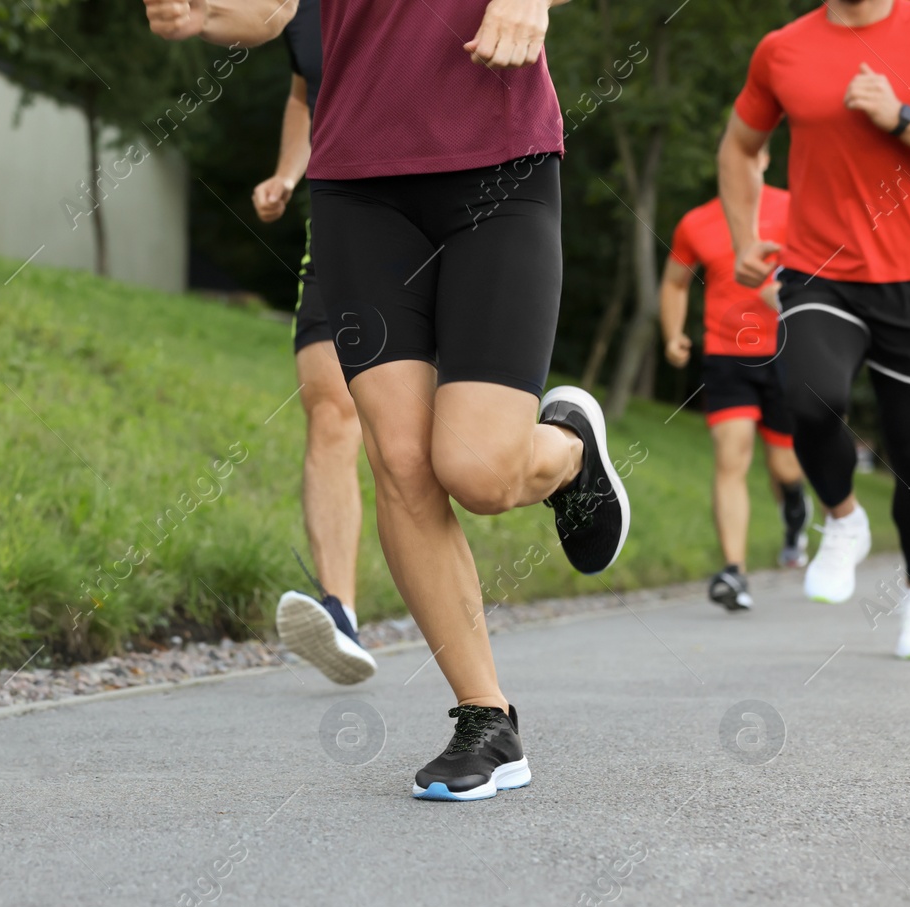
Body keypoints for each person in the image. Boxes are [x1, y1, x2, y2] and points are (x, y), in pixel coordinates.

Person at [148, 0, 632, 801]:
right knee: (401, 460)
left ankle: (569, 449)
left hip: (496, 159)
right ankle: (486, 716)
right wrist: (198, 13)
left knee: (477, 471)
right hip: (358, 189)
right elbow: (272, 12)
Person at [719, 0, 910, 660]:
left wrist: (900, 116)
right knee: (809, 396)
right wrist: (743, 238)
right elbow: (740, 145)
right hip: (819, 271)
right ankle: (843, 518)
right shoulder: (782, 48)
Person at [251, 0, 376, 685]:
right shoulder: (300, 8)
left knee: (457, 453)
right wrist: (287, 172)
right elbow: (307, 87)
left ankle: (563, 456)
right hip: (339, 214)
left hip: (449, 212)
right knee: (331, 407)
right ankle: (341, 611)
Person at [660, 156, 811, 612]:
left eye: (751, 154)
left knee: (785, 468)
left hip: (788, 352)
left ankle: (795, 510)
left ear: (764, 159)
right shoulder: (697, 223)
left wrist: (787, 292)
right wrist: (673, 335)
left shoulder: (795, 209)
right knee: (732, 456)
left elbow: (832, 271)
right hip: (726, 356)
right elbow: (675, 283)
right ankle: (733, 571)